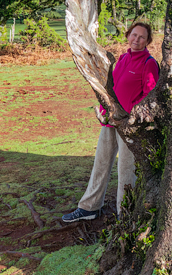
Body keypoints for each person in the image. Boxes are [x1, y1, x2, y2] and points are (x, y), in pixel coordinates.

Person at [62, 21, 159, 223]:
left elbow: (150, 97)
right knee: (101, 164)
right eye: (134, 35)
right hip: (110, 121)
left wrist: (132, 119)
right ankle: (89, 208)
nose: (136, 39)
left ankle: (125, 215)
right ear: (128, 35)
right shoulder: (122, 58)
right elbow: (111, 88)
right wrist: (106, 109)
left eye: (142, 37)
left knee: (126, 171)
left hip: (130, 126)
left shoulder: (149, 63)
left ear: (147, 41)